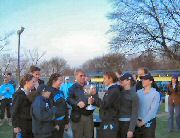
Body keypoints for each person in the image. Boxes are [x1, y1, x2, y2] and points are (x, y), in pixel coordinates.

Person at [90, 71, 121, 138]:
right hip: (107, 121)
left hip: (110, 122)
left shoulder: (114, 90)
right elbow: (103, 104)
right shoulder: (111, 90)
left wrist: (95, 95)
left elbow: (104, 105)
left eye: (104, 78)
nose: (103, 80)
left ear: (110, 79)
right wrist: (93, 102)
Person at [67, 69, 94, 138]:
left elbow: (94, 97)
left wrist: (93, 100)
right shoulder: (72, 88)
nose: (83, 77)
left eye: (84, 75)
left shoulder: (89, 86)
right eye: (81, 76)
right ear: (76, 76)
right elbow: (69, 99)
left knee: (89, 135)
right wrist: (77, 103)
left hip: (88, 116)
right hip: (78, 116)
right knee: (78, 136)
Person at [135, 74, 160, 138]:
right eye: (142, 79)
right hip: (137, 122)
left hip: (149, 123)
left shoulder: (156, 94)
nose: (143, 81)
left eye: (145, 79)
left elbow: (153, 111)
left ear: (151, 81)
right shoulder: (138, 92)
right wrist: (137, 120)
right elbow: (135, 107)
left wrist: (142, 122)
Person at [12, 74, 35, 138]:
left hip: (31, 125)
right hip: (21, 125)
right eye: (33, 81)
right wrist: (15, 126)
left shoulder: (32, 93)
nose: (34, 83)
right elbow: (14, 111)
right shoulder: (18, 94)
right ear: (27, 82)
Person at [47, 73, 69, 138]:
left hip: (62, 122)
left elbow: (65, 107)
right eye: (60, 80)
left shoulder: (60, 92)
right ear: (54, 81)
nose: (61, 82)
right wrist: (54, 124)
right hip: (54, 123)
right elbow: (48, 109)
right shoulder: (48, 92)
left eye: (62, 80)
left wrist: (66, 122)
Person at [118, 73, 138, 138]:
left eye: (123, 80)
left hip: (127, 125)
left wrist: (131, 130)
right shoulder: (118, 92)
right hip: (117, 124)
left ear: (128, 81)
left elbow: (135, 113)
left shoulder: (134, 95)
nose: (121, 81)